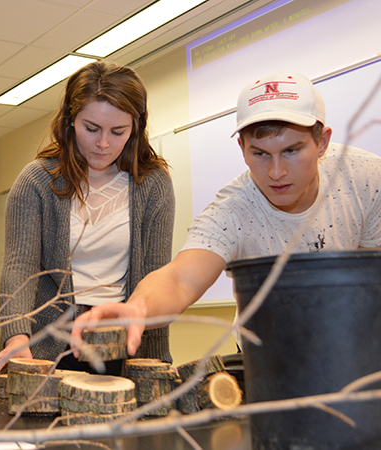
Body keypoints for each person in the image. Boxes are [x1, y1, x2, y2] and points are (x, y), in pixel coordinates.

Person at [72, 72, 381, 355]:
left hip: (355, 346)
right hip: (266, 357)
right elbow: (180, 278)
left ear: (322, 142)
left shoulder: (366, 179)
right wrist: (138, 307)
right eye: (259, 154)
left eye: (292, 151)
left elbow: (371, 279)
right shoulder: (232, 210)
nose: (276, 172)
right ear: (242, 149)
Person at [0, 61, 175, 375]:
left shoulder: (153, 184)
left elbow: (157, 277)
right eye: (92, 128)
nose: (104, 143)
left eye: (118, 131)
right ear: (71, 121)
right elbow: (19, 267)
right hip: (51, 345)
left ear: (135, 128)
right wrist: (16, 337)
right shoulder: (37, 181)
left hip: (128, 342)